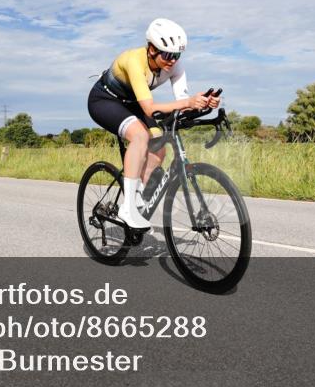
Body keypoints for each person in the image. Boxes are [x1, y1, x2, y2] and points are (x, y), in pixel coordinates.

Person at [87, 18, 220, 231]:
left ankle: (137, 193)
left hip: (133, 103)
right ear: (151, 49)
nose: (172, 61)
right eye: (167, 55)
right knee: (140, 136)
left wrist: (203, 102)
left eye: (176, 55)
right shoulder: (134, 61)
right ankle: (128, 208)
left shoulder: (175, 66)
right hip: (104, 101)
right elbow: (150, 109)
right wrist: (188, 102)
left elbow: (183, 101)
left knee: (159, 146)